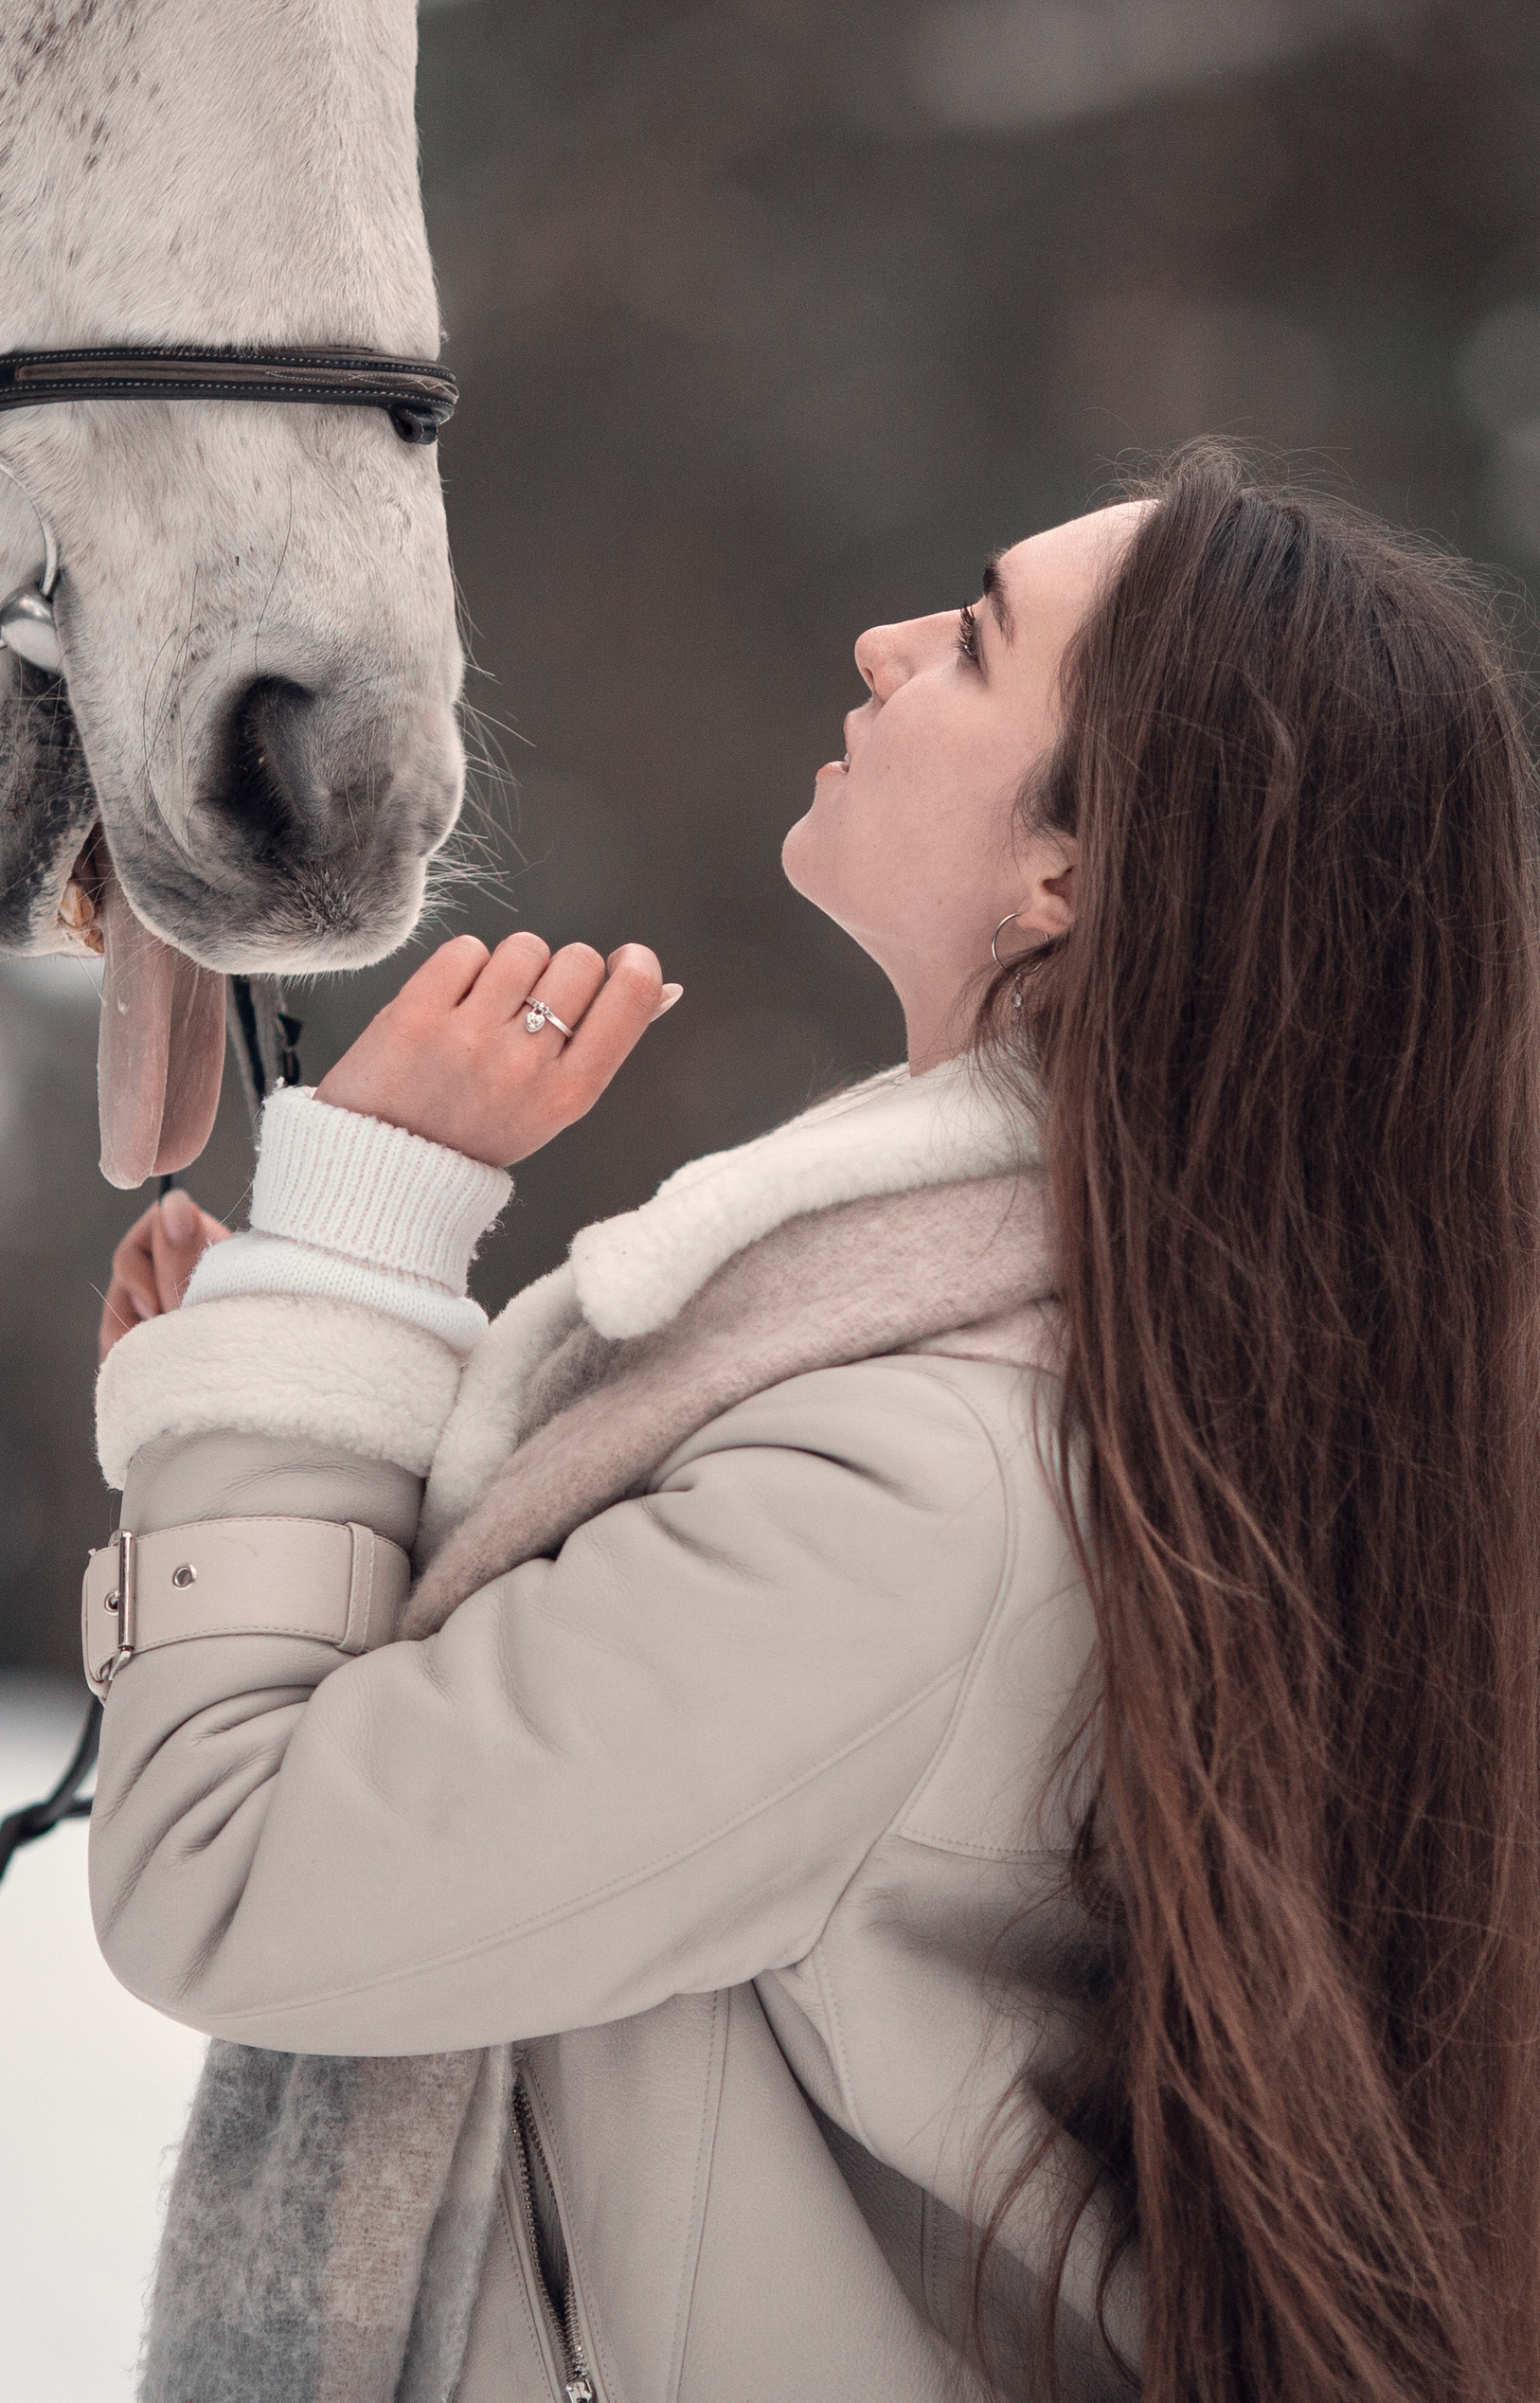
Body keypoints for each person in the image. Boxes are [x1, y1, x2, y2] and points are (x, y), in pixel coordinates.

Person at [85, 441, 1540, 2403]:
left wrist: (353, 1247)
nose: (880, 643)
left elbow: (234, 1878)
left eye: (971, 642)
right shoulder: (1140, 1395)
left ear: (1070, 868)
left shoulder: (909, 1492)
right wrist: (291, 1395)